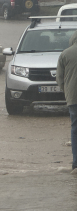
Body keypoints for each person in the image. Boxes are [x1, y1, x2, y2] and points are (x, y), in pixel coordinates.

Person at [56, 31, 77, 171]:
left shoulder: (65, 54)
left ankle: (76, 162)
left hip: (73, 98)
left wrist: (67, 92)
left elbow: (59, 78)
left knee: (75, 129)